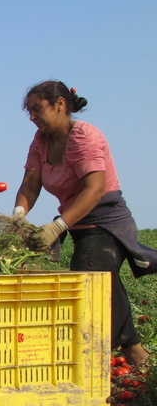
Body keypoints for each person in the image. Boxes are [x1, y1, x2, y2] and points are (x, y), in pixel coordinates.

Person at [14, 80, 157, 367]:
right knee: (100, 284)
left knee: (90, 280)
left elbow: (95, 190)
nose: (33, 117)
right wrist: (19, 214)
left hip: (105, 220)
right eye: (28, 112)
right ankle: (130, 352)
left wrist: (56, 227)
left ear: (59, 105)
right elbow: (31, 182)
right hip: (76, 222)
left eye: (37, 109)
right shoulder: (40, 141)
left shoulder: (83, 136)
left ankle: (123, 354)